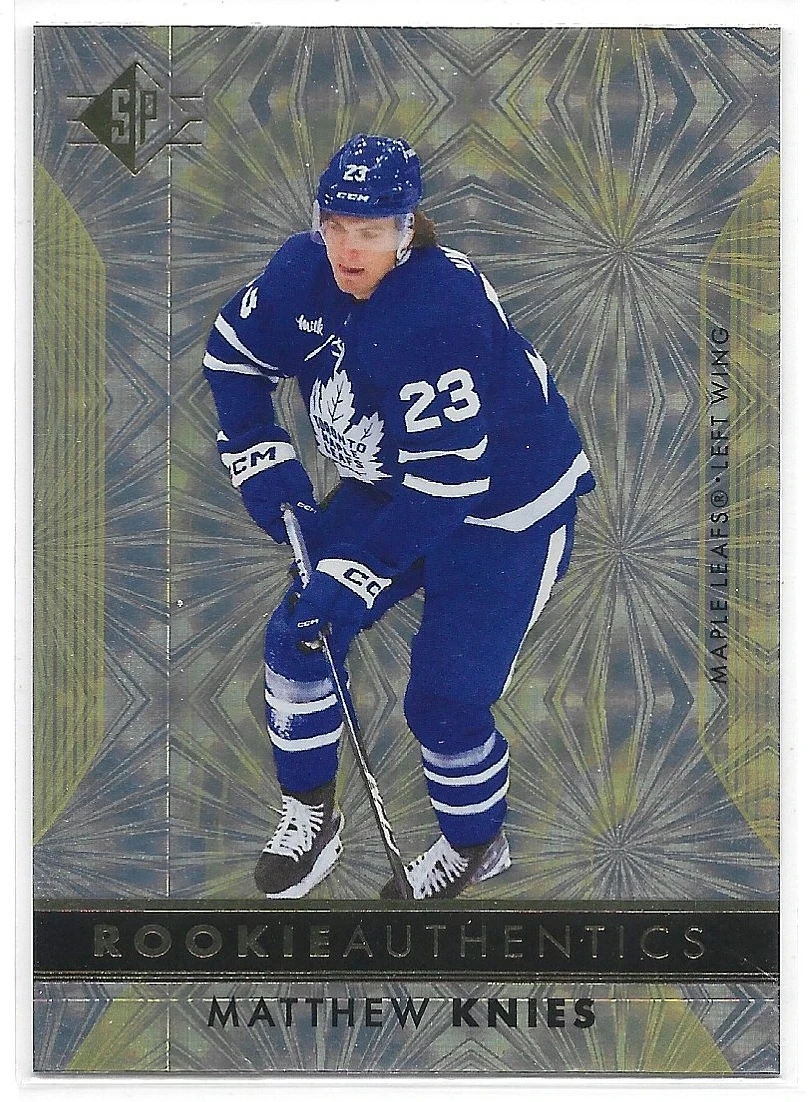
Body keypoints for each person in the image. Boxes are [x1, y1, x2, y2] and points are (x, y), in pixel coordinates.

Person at [203, 134, 594, 900]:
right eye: (336, 225)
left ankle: (475, 842)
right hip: (392, 485)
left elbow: (452, 482)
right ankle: (310, 813)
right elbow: (232, 358)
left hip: (504, 511)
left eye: (372, 230)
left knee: (443, 703)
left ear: (407, 230)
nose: (350, 249)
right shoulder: (299, 272)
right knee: (300, 634)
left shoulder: (436, 309)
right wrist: (257, 451)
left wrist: (358, 571)